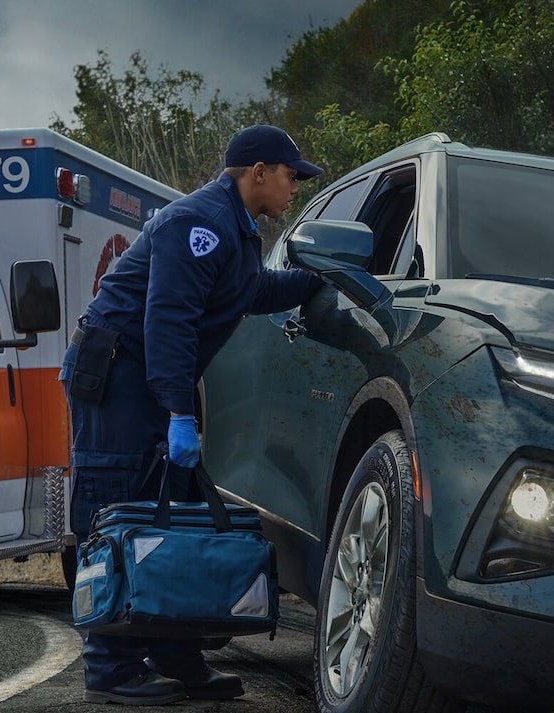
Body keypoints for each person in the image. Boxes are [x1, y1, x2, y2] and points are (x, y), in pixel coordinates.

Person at [59, 124, 326, 705]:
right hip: (119, 379)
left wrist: (317, 284)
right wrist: (181, 412)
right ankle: (110, 666)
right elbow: (168, 322)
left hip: (147, 380)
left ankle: (174, 650)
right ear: (257, 171)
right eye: (290, 176)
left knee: (172, 521)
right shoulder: (198, 222)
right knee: (120, 510)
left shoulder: (235, 228)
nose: (295, 188)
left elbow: (250, 292)